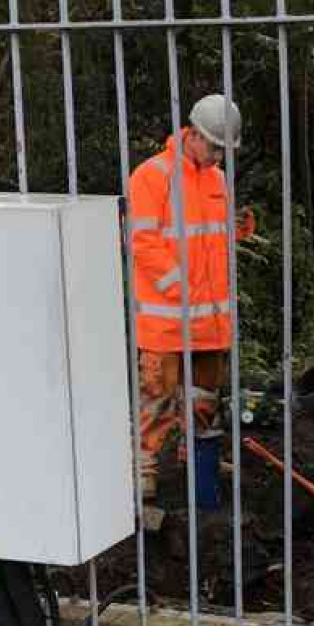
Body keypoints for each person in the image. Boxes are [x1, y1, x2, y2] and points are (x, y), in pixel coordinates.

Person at [129, 94, 255, 504]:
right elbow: (143, 242)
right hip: (166, 320)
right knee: (158, 398)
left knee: (204, 399)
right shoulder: (152, 175)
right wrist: (179, 285)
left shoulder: (217, 180)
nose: (220, 155)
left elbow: (212, 242)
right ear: (194, 135)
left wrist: (239, 228)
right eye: (215, 146)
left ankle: (197, 456)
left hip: (209, 321)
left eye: (225, 149)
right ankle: (145, 468)